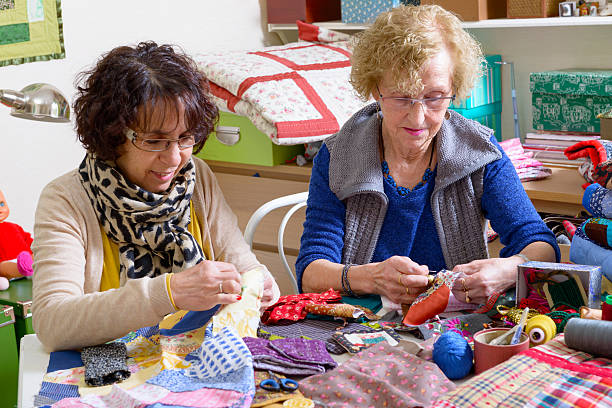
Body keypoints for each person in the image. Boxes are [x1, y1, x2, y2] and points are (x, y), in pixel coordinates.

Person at [296, 5, 559, 309]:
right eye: (401, 97)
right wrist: (372, 277)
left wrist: (508, 270)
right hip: (358, 327)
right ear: (375, 90)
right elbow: (311, 271)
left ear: (454, 88)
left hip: (455, 327)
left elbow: (542, 244)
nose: (418, 117)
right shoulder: (338, 157)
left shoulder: (480, 153)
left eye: (434, 97)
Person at [32, 42, 280, 351]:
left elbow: (244, 264)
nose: (175, 158)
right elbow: (52, 322)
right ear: (113, 135)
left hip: (193, 359)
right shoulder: (66, 200)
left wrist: (262, 286)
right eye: (155, 141)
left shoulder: (196, 177)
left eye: (185, 138)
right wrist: (170, 292)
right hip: (114, 370)